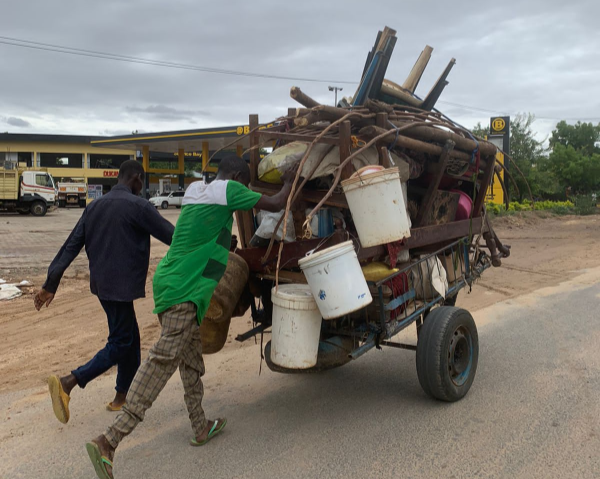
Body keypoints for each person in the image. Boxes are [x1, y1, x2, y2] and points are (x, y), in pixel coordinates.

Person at [85, 156, 296, 479]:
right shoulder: (229, 189)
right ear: (238, 176)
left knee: (191, 362)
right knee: (161, 362)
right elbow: (277, 203)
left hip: (174, 282)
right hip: (182, 290)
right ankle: (109, 441)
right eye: (243, 180)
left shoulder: (197, 189)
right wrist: (291, 178)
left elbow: (206, 241)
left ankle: (200, 426)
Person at [35, 160, 175, 423]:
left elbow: (70, 247)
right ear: (136, 178)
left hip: (102, 287)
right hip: (121, 288)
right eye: (141, 182)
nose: (141, 187)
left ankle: (123, 396)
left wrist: (50, 284)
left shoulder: (94, 207)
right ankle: (69, 382)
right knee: (121, 342)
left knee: (130, 337)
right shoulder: (139, 206)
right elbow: (173, 236)